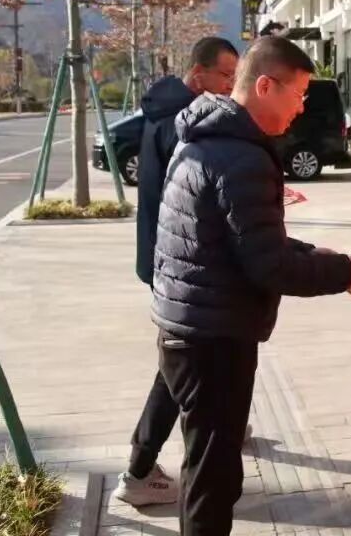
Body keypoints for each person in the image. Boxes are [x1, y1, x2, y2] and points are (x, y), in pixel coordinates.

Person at [152, 36, 351, 536]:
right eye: (298, 94)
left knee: (207, 467)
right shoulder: (241, 157)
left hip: (190, 323)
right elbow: (269, 265)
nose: (301, 108)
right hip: (213, 337)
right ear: (265, 85)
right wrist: (346, 273)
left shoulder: (205, 137)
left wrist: (323, 256)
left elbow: (246, 238)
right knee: (213, 478)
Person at [116, 36, 239, 506]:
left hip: (166, 258)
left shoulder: (162, 111)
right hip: (181, 264)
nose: (230, 85)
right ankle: (139, 469)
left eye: (234, 76)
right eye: (224, 75)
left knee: (184, 362)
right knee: (175, 368)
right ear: (198, 73)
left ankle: (219, 427)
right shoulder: (182, 123)